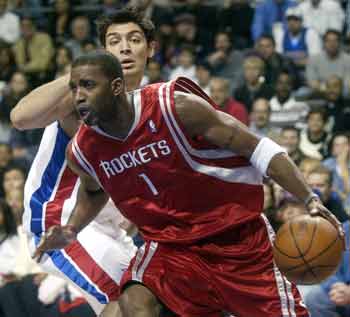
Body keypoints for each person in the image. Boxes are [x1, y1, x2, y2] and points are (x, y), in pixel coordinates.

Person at [36, 50, 343, 317]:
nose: (78, 96)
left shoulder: (174, 107)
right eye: (74, 87)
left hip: (237, 240)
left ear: (116, 87)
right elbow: (93, 191)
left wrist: (308, 197)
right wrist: (71, 229)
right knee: (132, 301)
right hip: (171, 247)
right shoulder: (83, 150)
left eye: (88, 85)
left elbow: (258, 147)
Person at [11, 7, 157, 316]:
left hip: (110, 228)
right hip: (60, 221)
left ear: (151, 49)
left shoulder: (149, 104)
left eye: (133, 40)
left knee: (153, 298)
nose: (124, 48)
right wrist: (85, 73)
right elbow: (21, 117)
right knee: (125, 302)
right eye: (114, 42)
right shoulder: (82, 95)